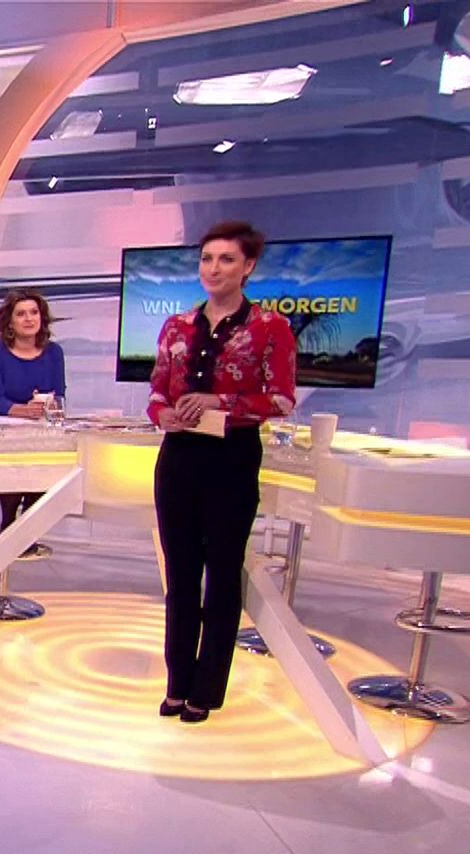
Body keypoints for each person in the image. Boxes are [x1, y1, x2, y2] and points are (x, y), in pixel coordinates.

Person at [146, 221, 296, 724]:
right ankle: (176, 683)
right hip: (178, 458)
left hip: (231, 458)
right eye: (207, 259)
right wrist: (162, 414)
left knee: (222, 575)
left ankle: (206, 689)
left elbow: (281, 399)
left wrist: (220, 401)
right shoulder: (177, 326)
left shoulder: (270, 327)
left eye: (226, 259)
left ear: (248, 266)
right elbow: (157, 391)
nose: (214, 268)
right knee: (180, 575)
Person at [0, 288, 66, 545]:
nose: (29, 319)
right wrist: (23, 410)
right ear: (9, 321)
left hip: (41, 429)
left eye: (34, 312)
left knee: (49, 463)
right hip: (2, 429)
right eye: (21, 314)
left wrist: (48, 407)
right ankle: (9, 525)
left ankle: (26, 531)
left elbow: (60, 395)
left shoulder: (54, 352)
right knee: (15, 461)